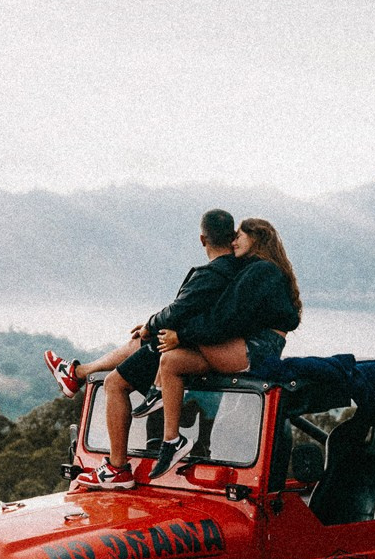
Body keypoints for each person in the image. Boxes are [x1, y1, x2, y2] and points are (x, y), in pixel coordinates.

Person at [43, 209, 239, 489]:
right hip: (198, 342)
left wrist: (151, 324)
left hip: (186, 346)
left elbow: (178, 310)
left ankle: (118, 467)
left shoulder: (212, 274)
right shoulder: (240, 272)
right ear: (232, 238)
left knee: (114, 385)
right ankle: (78, 373)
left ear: (202, 239)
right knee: (140, 340)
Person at [149, 217, 302, 478]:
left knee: (177, 328)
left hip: (257, 349)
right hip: (247, 345)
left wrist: (181, 335)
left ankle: (155, 391)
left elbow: (224, 319)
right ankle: (172, 439)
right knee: (171, 362)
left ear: (255, 238)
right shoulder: (258, 270)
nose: (233, 242)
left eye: (239, 236)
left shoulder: (262, 270)